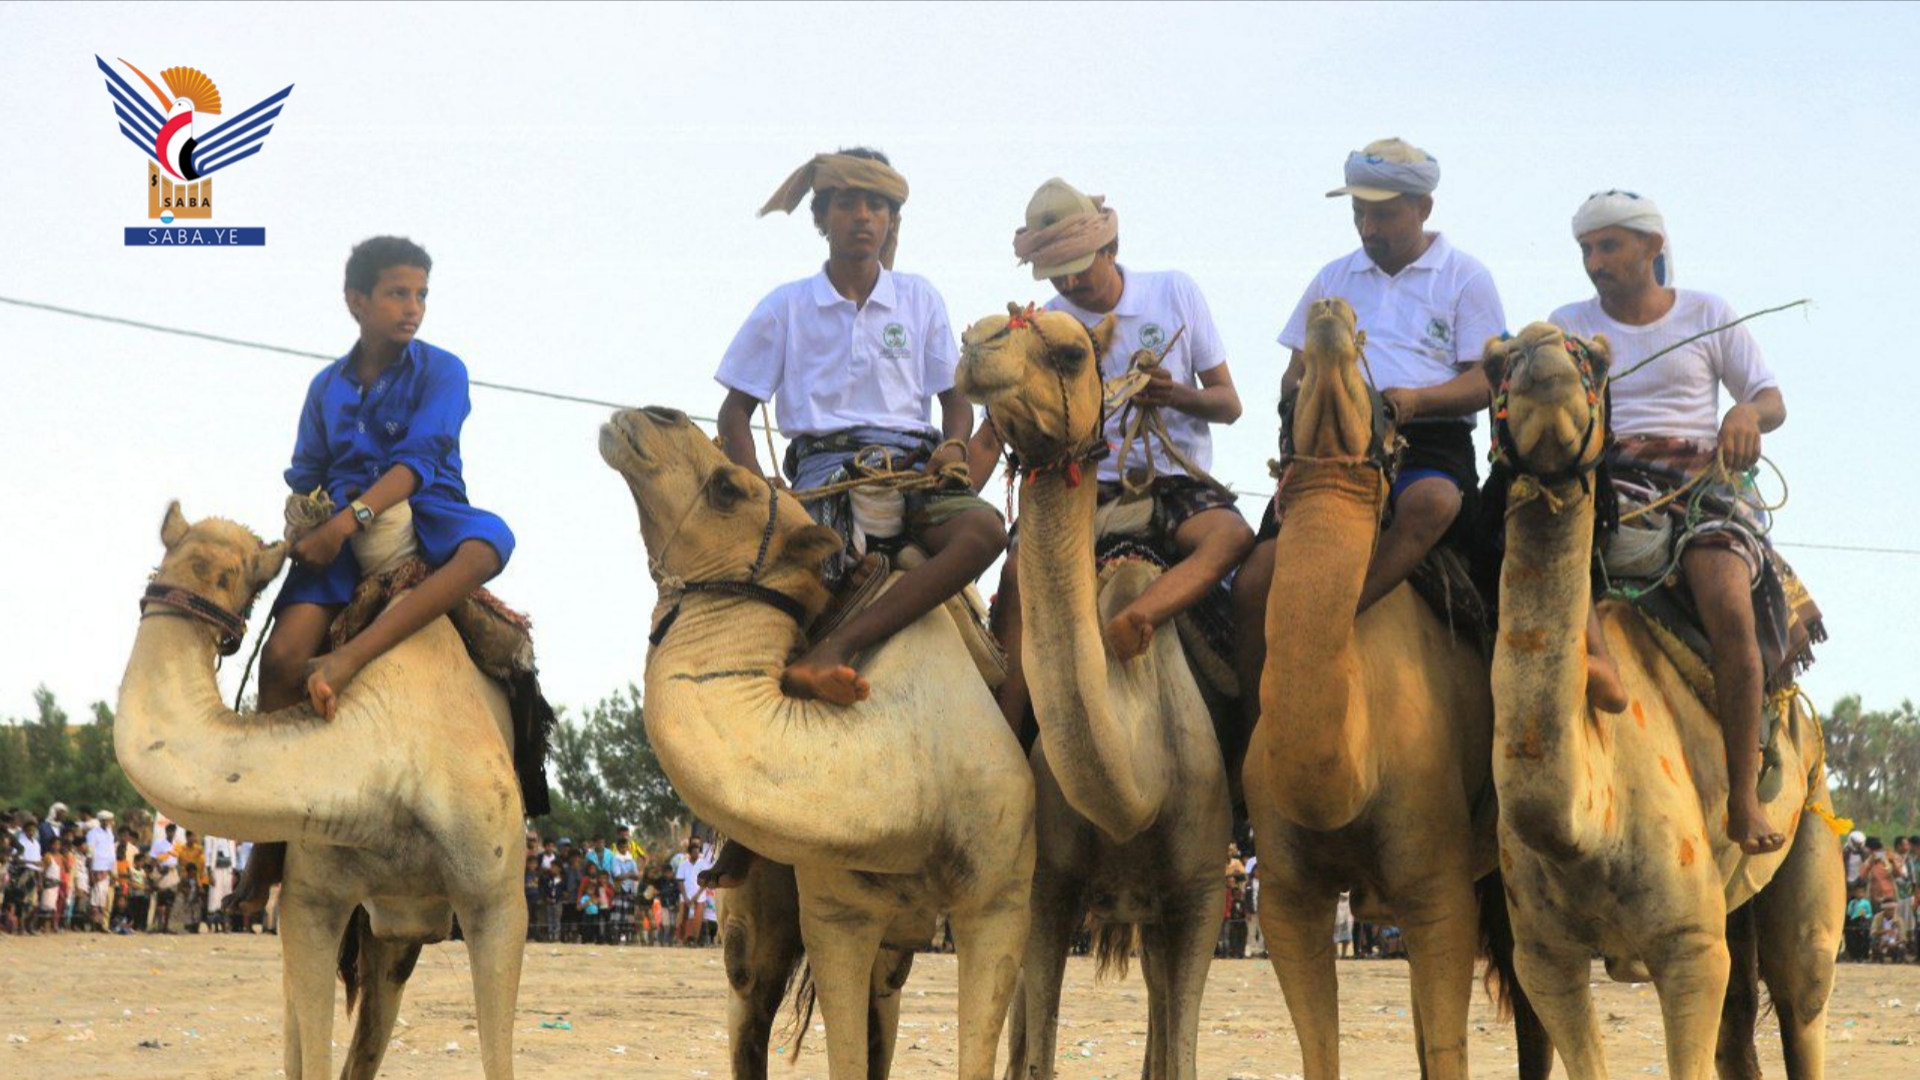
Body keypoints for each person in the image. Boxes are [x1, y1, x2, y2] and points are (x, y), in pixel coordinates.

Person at [709, 148, 1006, 887]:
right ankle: (742, 807)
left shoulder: (921, 300)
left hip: (914, 473)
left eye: (879, 208)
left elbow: (954, 400)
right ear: (822, 218)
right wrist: (764, 495)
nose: (865, 219)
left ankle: (841, 650)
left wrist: (952, 447)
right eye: (849, 204)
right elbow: (733, 412)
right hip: (819, 478)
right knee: (760, 619)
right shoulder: (784, 306)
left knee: (986, 531)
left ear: (893, 220)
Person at [233, 235, 517, 911]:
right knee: (282, 660)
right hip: (333, 530)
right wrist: (312, 517)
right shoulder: (324, 388)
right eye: (397, 293)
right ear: (356, 301)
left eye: (420, 294)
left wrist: (348, 521)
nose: (412, 307)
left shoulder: (442, 371)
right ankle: (270, 838)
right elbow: (305, 469)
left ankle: (355, 659)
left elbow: (421, 458)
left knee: (489, 544)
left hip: (426, 506)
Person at [1549, 190, 1799, 855]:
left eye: (1609, 246)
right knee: (1539, 561)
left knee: (1725, 598)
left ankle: (1743, 794)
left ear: (1652, 248)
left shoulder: (1707, 313)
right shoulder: (1568, 323)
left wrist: (1744, 416)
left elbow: (1767, 397)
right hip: (1608, 480)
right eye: (1586, 250)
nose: (1595, 262)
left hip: (1700, 484)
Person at [1232, 138, 1507, 727]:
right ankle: (1249, 734)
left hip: (1425, 439)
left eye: (1382, 212)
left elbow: (1488, 380)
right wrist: (1307, 399)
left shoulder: (1464, 276)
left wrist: (1417, 401)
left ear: (1423, 208)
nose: (1366, 225)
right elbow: (1293, 368)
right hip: (1331, 445)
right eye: (1359, 211)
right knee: (1255, 576)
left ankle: (1335, 620)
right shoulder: (1334, 277)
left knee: (1433, 503)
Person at [970, 178, 1252, 733]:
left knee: (1233, 539)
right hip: (1080, 486)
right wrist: (957, 480)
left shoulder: (1174, 292)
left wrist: (1177, 395)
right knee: (1021, 570)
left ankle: (1142, 617)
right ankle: (1004, 736)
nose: (1071, 281)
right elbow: (997, 427)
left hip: (1170, 480)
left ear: (1111, 249)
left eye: (1079, 265)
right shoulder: (1046, 324)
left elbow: (1229, 404)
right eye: (1058, 272)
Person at [86, 810, 117, 932]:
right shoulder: (93, 833)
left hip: (107, 869)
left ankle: (100, 923)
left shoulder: (110, 833)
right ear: (102, 821)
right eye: (108, 820)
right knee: (95, 898)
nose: (110, 822)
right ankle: (94, 924)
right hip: (97, 869)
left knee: (102, 899)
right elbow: (90, 854)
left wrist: (113, 871)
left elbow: (111, 852)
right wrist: (91, 873)